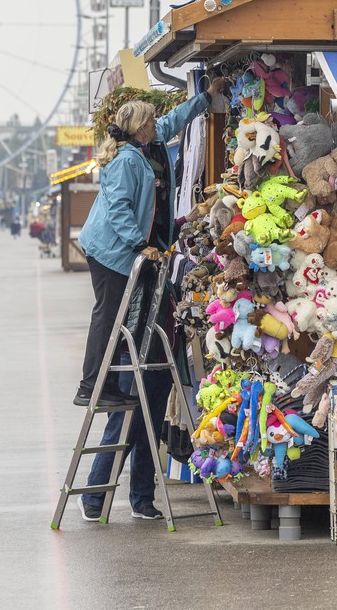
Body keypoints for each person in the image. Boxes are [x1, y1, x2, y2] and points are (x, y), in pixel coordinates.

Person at [73, 75, 229, 522]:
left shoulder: (150, 146)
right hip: (115, 253)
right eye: (151, 122)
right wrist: (140, 244)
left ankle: (140, 498)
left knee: (146, 408)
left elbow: (176, 120)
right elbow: (120, 209)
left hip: (144, 263)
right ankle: (94, 382)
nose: (158, 126)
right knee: (109, 315)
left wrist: (205, 98)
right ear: (139, 127)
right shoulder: (126, 160)